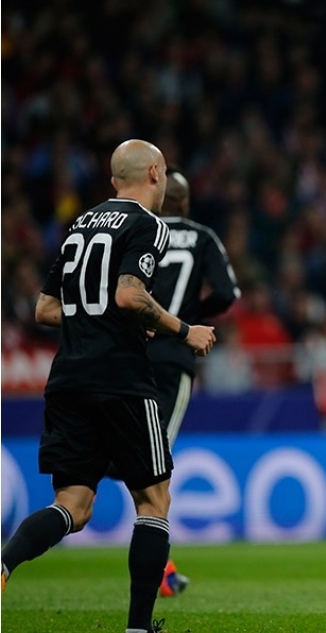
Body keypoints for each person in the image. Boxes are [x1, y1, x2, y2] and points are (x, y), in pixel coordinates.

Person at [0, 140, 216, 633]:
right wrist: (183, 329)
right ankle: (138, 628)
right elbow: (128, 295)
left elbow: (45, 309)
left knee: (72, 506)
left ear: (115, 179)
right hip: (122, 380)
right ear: (156, 173)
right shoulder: (149, 225)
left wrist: (102, 320)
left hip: (67, 380)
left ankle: (4, 563)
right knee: (153, 501)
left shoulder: (79, 225)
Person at [146, 167, 240, 595]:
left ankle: (160, 564)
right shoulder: (201, 236)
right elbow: (228, 292)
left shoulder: (136, 230)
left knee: (138, 453)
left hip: (128, 352)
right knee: (156, 460)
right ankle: (159, 569)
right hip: (173, 354)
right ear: (185, 203)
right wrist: (189, 316)